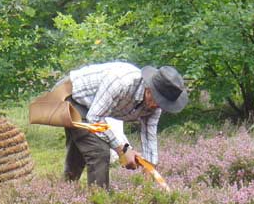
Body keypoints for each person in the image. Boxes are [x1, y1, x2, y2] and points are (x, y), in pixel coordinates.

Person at [55, 61, 188, 189]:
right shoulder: (122, 83)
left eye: (161, 104)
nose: (156, 106)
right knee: (99, 151)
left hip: (91, 107)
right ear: (148, 89)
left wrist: (149, 167)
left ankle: (66, 192)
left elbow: (149, 134)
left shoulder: (156, 105)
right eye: (155, 100)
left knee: (83, 146)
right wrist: (122, 150)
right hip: (70, 94)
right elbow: (95, 118)